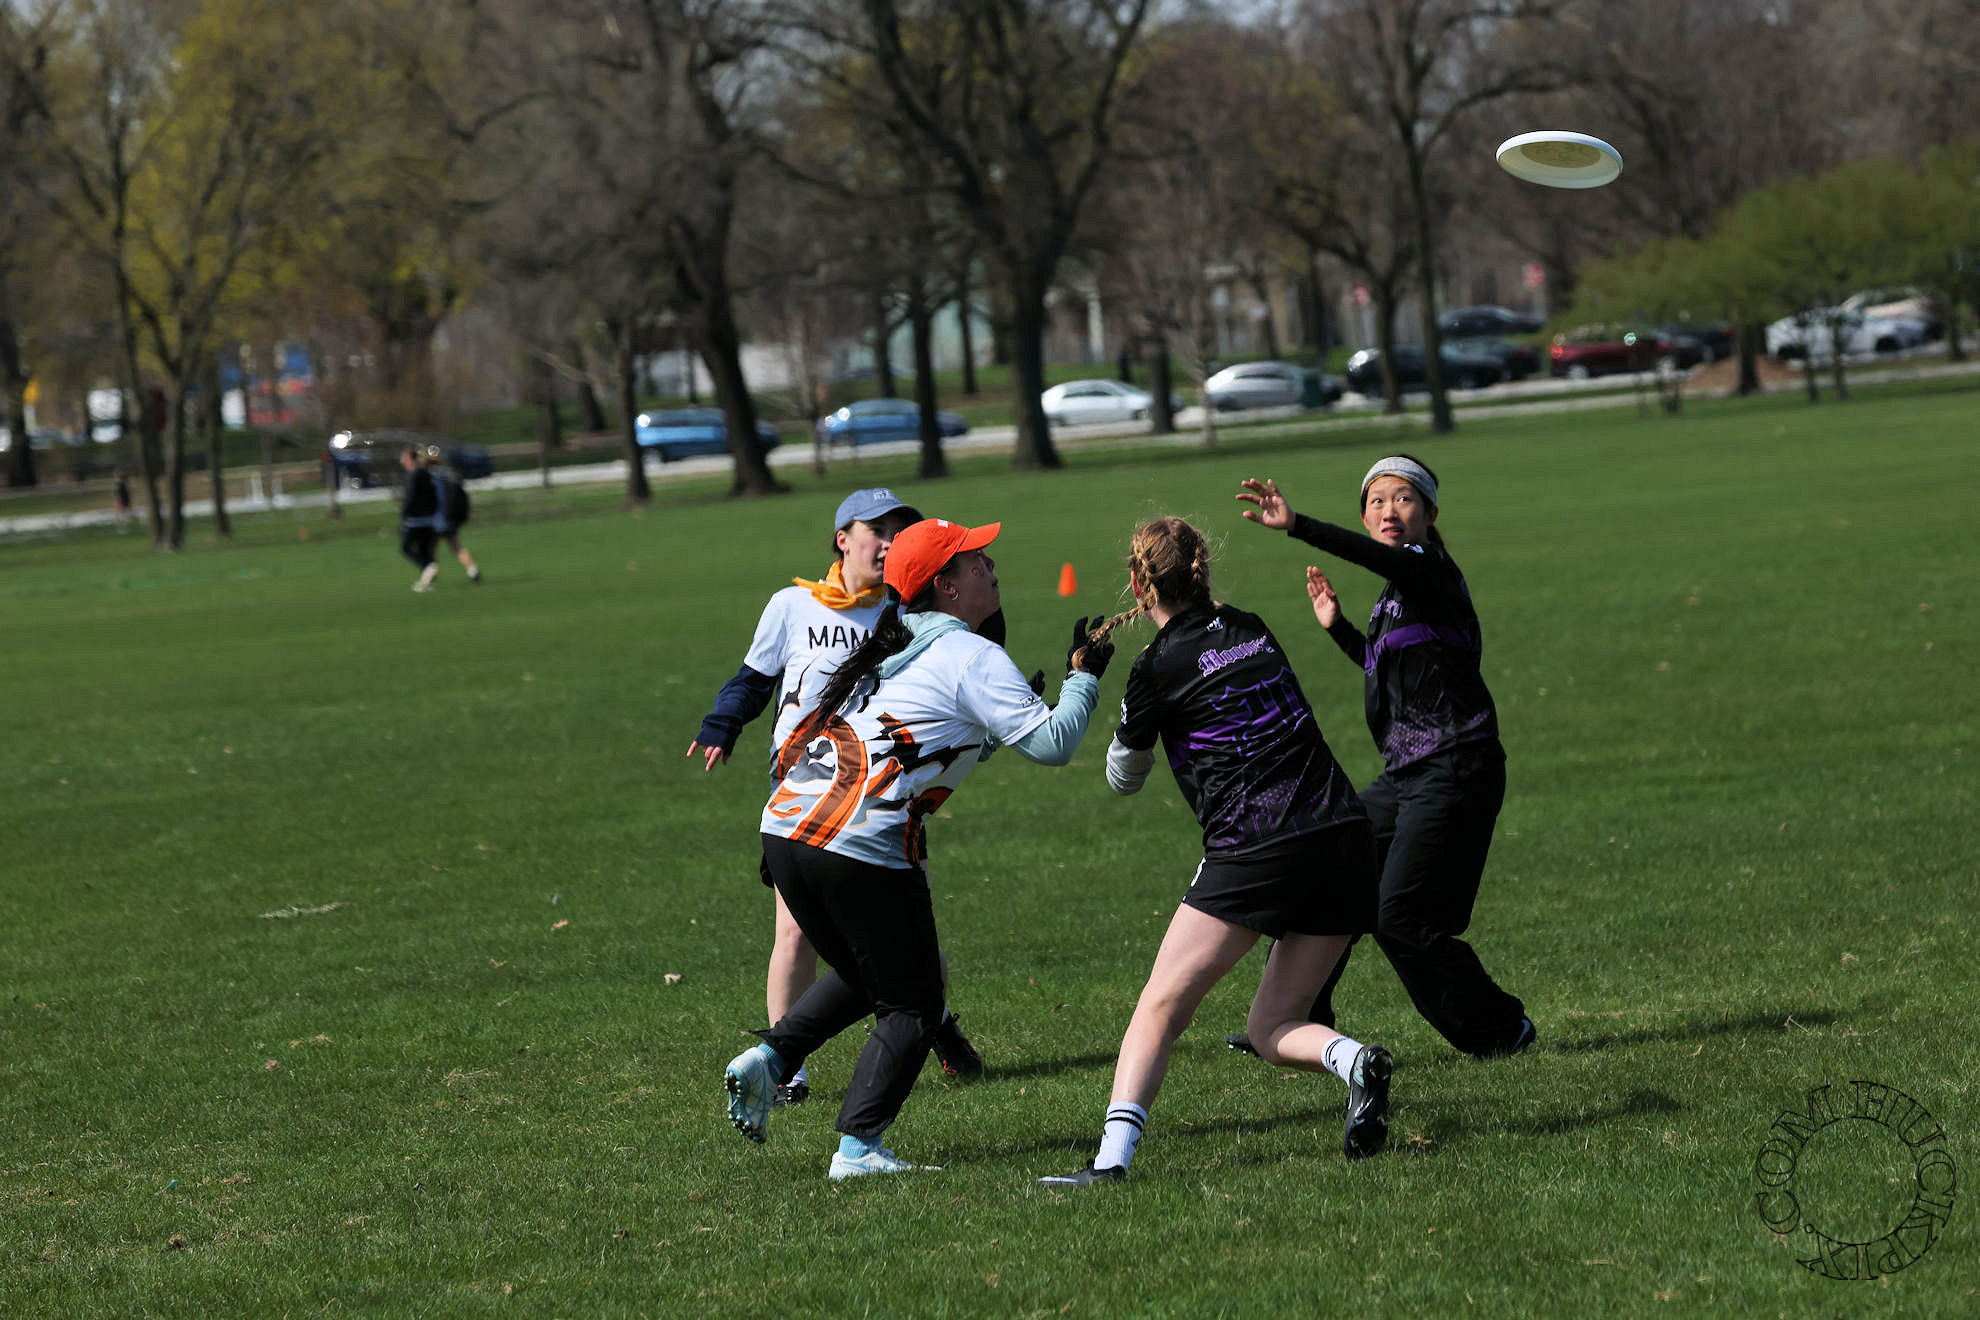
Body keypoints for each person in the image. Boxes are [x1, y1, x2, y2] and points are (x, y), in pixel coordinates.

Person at [723, 517, 1113, 1179]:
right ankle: (858, 1149)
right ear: (946, 586)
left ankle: (771, 1059)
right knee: (915, 1001)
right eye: (974, 559)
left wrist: (1000, 723)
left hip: (787, 830)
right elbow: (1054, 745)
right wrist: (1085, 679)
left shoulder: (896, 643)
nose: (990, 565)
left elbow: (931, 740)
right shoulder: (967, 654)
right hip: (858, 841)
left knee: (872, 972)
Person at [1038, 516, 1392, 1188]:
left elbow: (1123, 778)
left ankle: (1110, 1163)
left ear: (1138, 582)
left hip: (1256, 842)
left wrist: (1093, 683)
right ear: (1201, 569)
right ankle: (1357, 1062)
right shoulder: (1251, 625)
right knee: (1272, 1026)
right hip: (1344, 833)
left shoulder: (1154, 666)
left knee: (1161, 1005)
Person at [688, 490, 985, 1107]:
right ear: (842, 539)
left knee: (914, 931)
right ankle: (786, 1071)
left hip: (883, 793)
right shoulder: (792, 605)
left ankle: (937, 1028)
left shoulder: (905, 615)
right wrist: (722, 724)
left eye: (899, 532)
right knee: (796, 934)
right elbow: (754, 679)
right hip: (802, 790)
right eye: (876, 529)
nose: (888, 542)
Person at [1232, 460, 1534, 1060]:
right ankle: (1293, 1019)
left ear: (1429, 513)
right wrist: (1339, 629)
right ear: (1364, 515)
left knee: (1402, 920)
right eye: (1376, 501)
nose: (1389, 510)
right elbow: (1389, 668)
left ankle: (1503, 1030)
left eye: (1403, 498)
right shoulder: (1398, 596)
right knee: (1328, 870)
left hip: (1455, 766)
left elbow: (1384, 562)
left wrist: (1298, 526)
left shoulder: (1428, 569)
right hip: (1408, 776)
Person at [427, 446, 482, 585]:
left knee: (430, 550)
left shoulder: (430, 477)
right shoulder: (448, 475)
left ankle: (430, 579)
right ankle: (473, 570)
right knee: (456, 548)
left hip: (435, 521)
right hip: (449, 519)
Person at [398, 446, 446, 592]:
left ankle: (428, 568)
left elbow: (411, 498)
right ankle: (428, 581)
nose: (402, 461)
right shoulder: (427, 474)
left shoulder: (415, 475)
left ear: (411, 459)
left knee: (406, 547)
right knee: (424, 550)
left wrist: (404, 513)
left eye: (404, 458)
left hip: (416, 520)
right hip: (429, 519)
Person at [112, 467, 133, 533]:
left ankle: (123, 528)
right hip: (121, 500)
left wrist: (127, 501)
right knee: (121, 514)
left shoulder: (122, 482)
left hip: (123, 500)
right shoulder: (119, 483)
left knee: (123, 514)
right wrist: (119, 501)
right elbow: (119, 493)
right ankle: (122, 528)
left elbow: (123, 493)